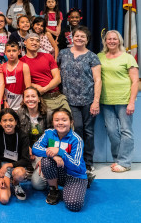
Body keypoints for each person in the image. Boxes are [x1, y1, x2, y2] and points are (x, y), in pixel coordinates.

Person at [57, 26, 101, 178]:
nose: (80, 39)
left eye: (83, 37)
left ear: (87, 40)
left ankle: (88, 162)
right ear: (72, 38)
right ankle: (75, 159)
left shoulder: (92, 57)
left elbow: (98, 80)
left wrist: (96, 101)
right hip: (68, 100)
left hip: (88, 99)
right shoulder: (62, 54)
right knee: (77, 129)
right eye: (77, 36)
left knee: (88, 131)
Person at [98, 30, 139, 172]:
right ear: (105, 41)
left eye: (114, 39)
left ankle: (125, 162)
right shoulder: (100, 56)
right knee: (111, 131)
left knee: (126, 130)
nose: (112, 41)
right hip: (106, 100)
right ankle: (118, 159)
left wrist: (132, 102)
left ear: (119, 41)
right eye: (109, 39)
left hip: (124, 100)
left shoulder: (128, 58)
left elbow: (135, 81)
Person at [32, 108, 88, 212]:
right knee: (46, 160)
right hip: (59, 172)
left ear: (71, 122)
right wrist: (53, 155)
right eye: (57, 120)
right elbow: (35, 148)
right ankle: (54, 190)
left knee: (74, 205)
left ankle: (82, 183)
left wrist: (60, 152)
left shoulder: (77, 139)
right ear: (53, 122)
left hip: (74, 174)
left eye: (64, 120)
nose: (60, 123)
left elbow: (76, 165)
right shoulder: (49, 133)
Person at [20, 32, 70, 112]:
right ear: (25, 42)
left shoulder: (48, 56)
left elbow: (58, 79)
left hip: (59, 97)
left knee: (68, 123)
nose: (35, 43)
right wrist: (39, 89)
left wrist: (44, 89)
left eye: (37, 41)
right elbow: (25, 82)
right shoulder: (21, 62)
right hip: (42, 99)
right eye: (32, 40)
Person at [0, 109, 30, 203]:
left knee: (19, 174)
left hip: (17, 166)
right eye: (4, 120)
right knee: (4, 199)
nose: (8, 123)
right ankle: (7, 181)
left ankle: (16, 183)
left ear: (16, 122)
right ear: (0, 122)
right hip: (3, 167)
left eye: (11, 120)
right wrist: (0, 176)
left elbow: (25, 160)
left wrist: (7, 165)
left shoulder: (23, 136)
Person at [18, 87, 51, 190]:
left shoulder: (48, 114)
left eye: (33, 96)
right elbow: (17, 134)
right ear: (23, 99)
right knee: (18, 175)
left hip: (42, 152)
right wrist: (26, 148)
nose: (30, 99)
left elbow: (52, 139)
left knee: (38, 185)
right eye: (27, 96)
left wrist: (44, 158)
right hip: (24, 151)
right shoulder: (19, 113)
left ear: (39, 99)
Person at [2, 41, 31, 111]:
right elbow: (1, 86)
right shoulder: (2, 67)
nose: (11, 54)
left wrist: (25, 100)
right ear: (5, 52)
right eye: (8, 51)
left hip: (21, 101)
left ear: (19, 52)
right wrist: (4, 100)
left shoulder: (24, 66)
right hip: (7, 102)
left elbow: (28, 87)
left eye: (14, 51)